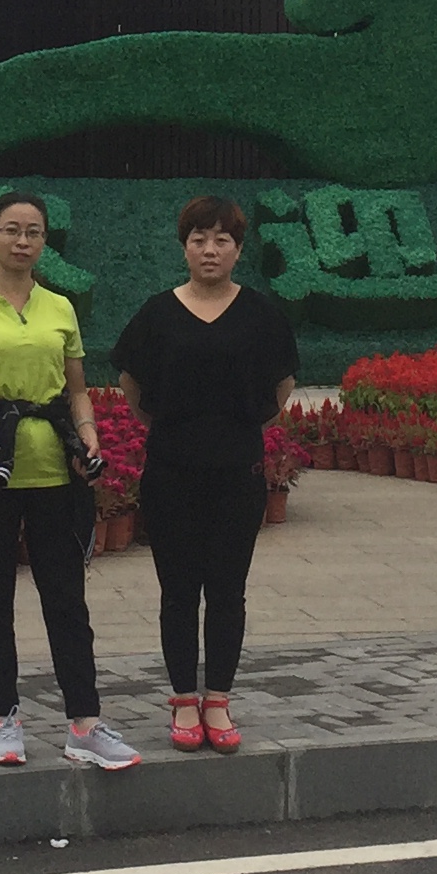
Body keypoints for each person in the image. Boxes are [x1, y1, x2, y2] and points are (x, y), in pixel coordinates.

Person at [0, 191, 142, 772]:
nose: (22, 241)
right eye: (11, 230)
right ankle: (5, 719)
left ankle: (85, 725)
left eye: (34, 232)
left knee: (67, 602)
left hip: (56, 476)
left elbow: (76, 389)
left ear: (45, 241)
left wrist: (89, 433)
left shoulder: (60, 308)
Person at [113, 195, 298, 751]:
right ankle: (182, 701)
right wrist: (176, 426)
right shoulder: (158, 314)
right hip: (171, 471)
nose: (210, 250)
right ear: (184, 247)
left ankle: (217, 699)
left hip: (237, 472)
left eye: (222, 240)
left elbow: (282, 386)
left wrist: (233, 428)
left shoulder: (261, 314)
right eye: (199, 239)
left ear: (239, 249)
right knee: (177, 590)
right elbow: (131, 385)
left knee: (227, 590)